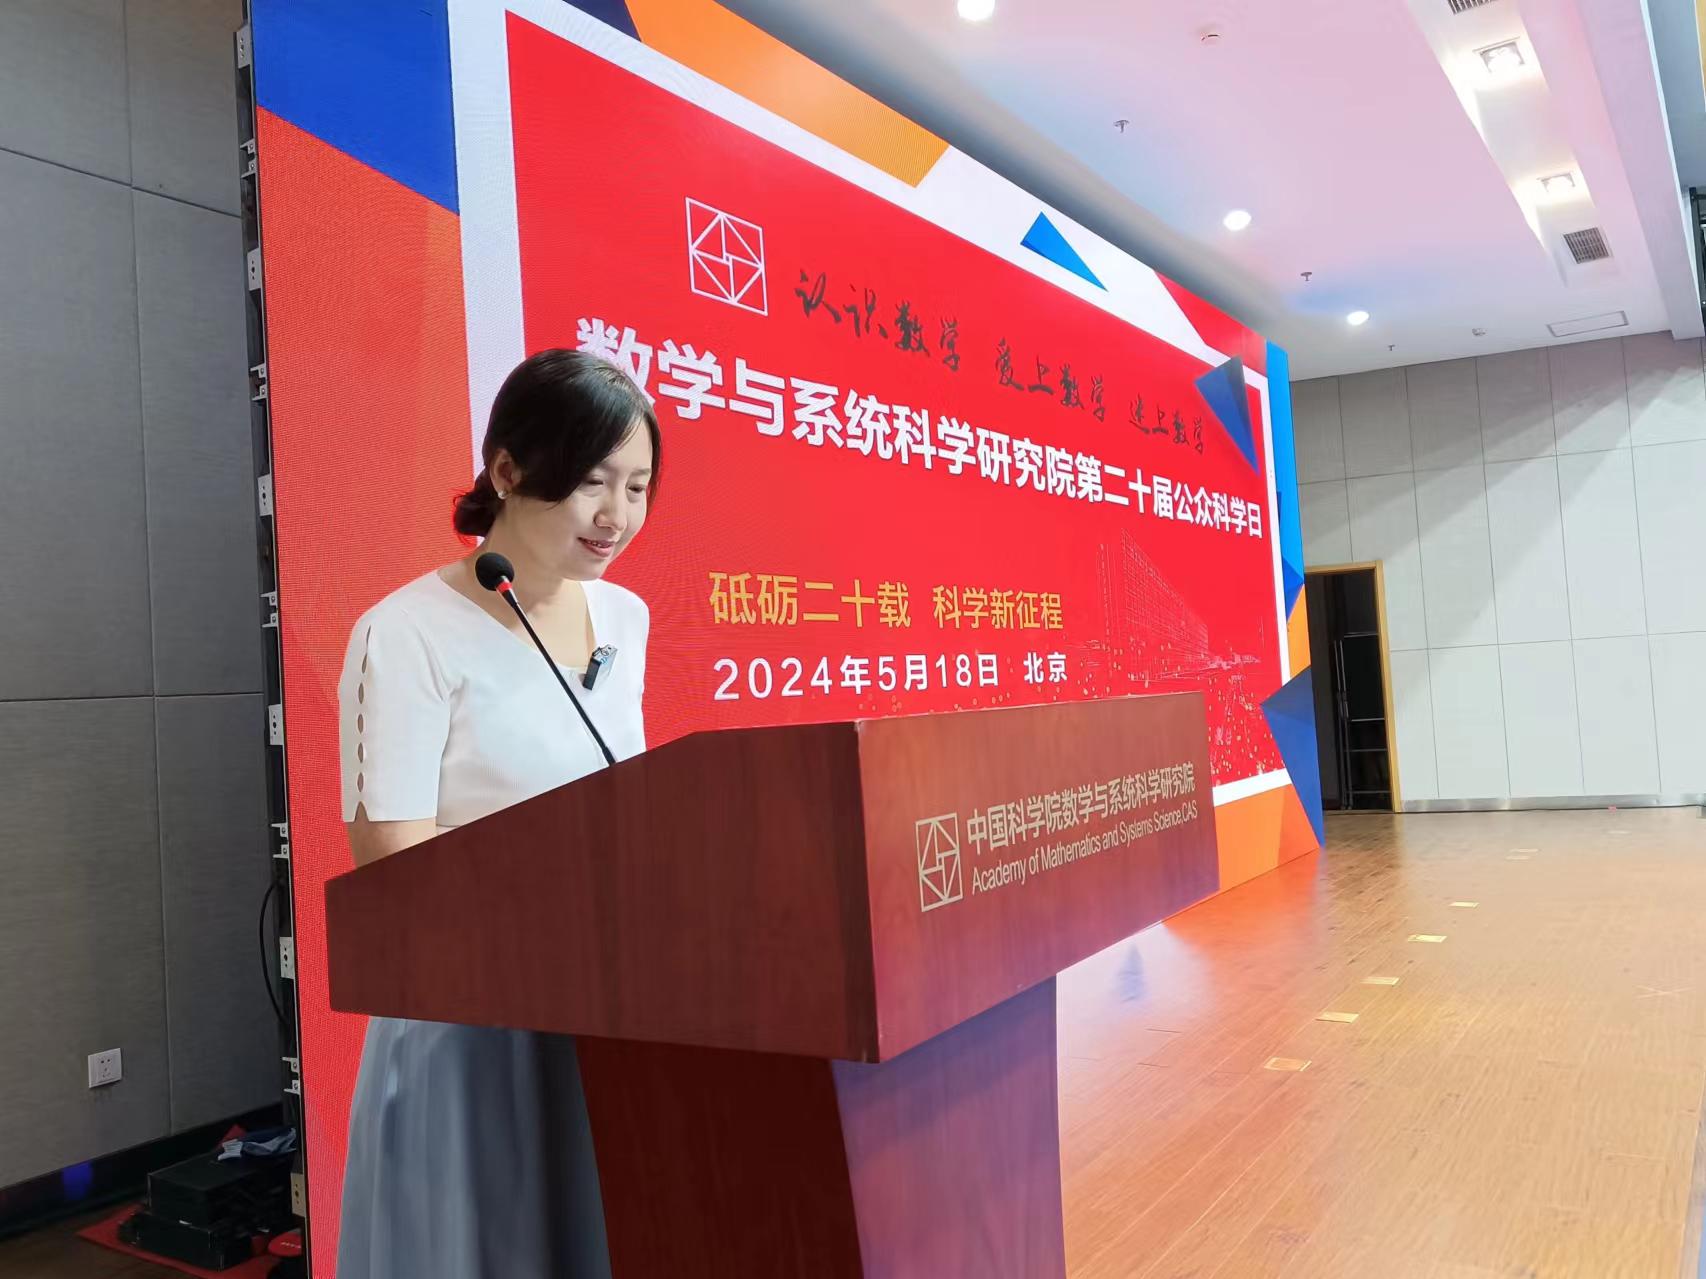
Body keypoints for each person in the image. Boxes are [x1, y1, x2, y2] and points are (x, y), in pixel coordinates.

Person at [334, 349, 659, 1279]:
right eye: (591, 481)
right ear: (507, 469)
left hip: (601, 1003)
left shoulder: (625, 619)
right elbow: (393, 861)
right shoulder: (404, 632)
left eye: (636, 486)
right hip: (469, 1017)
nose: (615, 514)